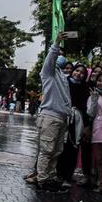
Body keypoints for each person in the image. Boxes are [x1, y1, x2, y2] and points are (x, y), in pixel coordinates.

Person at [26, 39, 71, 191]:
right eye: (58, 54)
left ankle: (50, 177)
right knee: (46, 150)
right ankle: (43, 179)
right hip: (50, 117)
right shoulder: (48, 73)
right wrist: (56, 43)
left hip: (62, 118)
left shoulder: (62, 77)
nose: (60, 56)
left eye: (62, 54)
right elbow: (51, 58)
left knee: (57, 151)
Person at [62, 64, 90, 186]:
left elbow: (85, 108)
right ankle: (57, 174)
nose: (78, 74)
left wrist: (86, 124)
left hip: (77, 119)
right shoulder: (64, 82)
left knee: (73, 146)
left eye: (82, 72)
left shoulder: (85, 88)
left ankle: (67, 176)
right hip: (63, 116)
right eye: (77, 70)